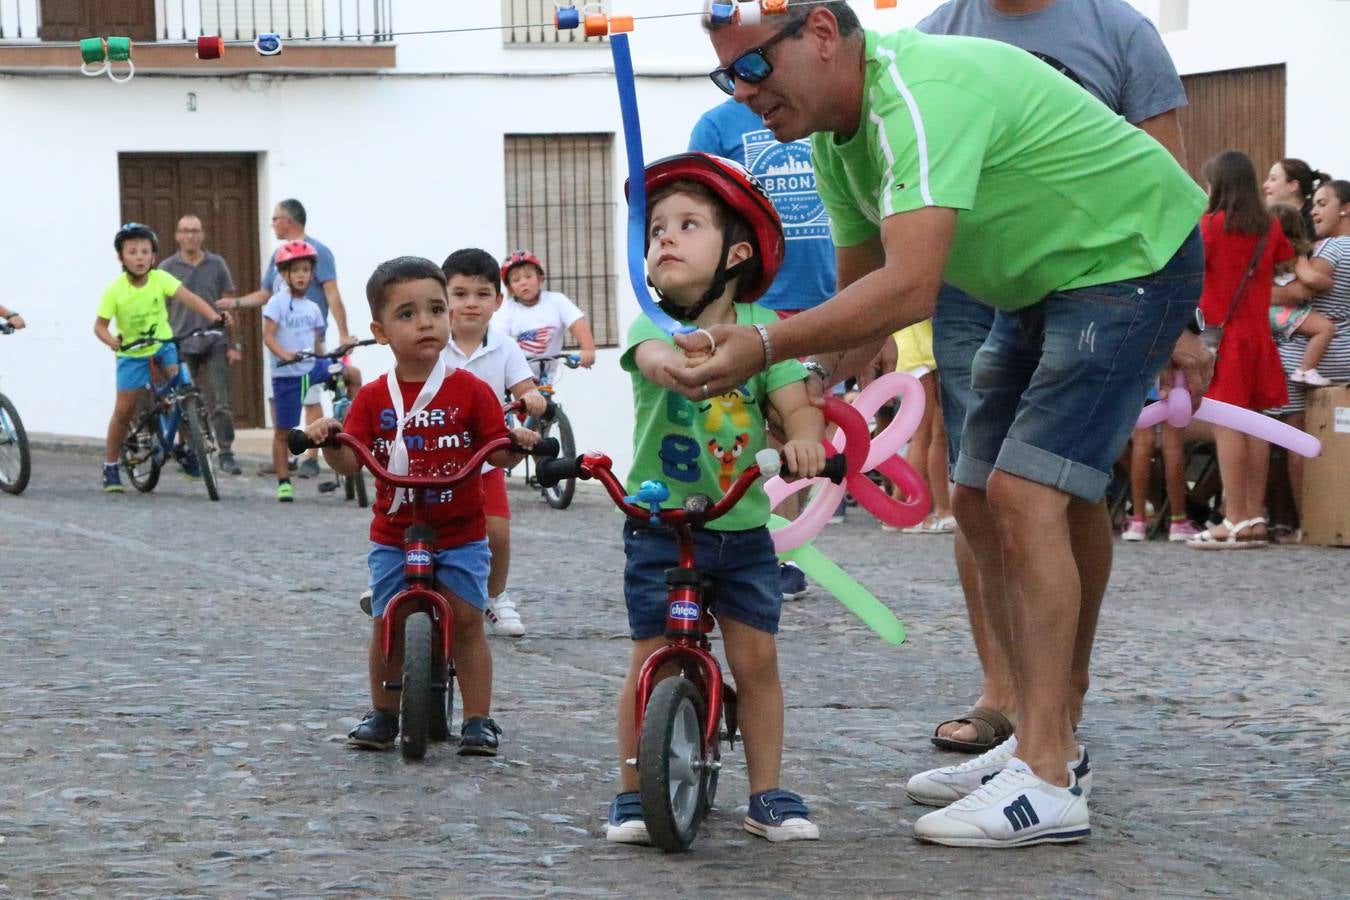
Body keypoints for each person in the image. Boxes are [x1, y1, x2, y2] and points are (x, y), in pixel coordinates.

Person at [685, 4, 1209, 847]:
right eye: (724, 78)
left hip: (1131, 262)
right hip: (1041, 281)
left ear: (822, 33)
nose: (742, 95)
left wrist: (762, 341)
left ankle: (1047, 770)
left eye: (750, 69)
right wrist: (807, 384)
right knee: (973, 494)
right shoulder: (832, 137)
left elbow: (910, 289)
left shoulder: (914, 97)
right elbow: (864, 308)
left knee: (1026, 492)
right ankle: (1046, 737)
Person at [905, 0, 1195, 757]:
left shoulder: (1118, 31)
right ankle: (1004, 688)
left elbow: (1160, 179)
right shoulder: (936, 34)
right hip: (970, 280)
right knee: (978, 481)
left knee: (1063, 482)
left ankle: (1063, 684)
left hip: (1091, 278)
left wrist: (1178, 323)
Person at [605, 152, 826, 846]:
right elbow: (656, 365)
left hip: (739, 530)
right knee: (648, 656)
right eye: (656, 229)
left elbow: (797, 406)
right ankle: (633, 793)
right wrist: (684, 365)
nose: (664, 236)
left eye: (688, 224)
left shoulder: (766, 331)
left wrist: (804, 438)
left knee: (755, 661)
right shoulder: (653, 325)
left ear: (736, 253)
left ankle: (767, 793)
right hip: (660, 524)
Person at [316, 256, 537, 754]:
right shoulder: (373, 397)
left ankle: (480, 718)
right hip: (395, 532)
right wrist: (330, 439)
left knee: (466, 619)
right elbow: (348, 463)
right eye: (408, 314)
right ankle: (382, 711)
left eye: (436, 310)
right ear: (380, 330)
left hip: (459, 528)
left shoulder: (472, 391)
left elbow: (496, 450)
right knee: (385, 621)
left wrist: (516, 440)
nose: (426, 323)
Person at [689, 96, 838, 598]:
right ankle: (742, 548)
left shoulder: (820, 112)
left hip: (822, 300)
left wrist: (867, 325)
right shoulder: (716, 125)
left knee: (796, 425)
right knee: (750, 425)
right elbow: (698, 206)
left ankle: (780, 550)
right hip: (757, 302)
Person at [440, 248, 548, 637]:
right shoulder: (431, 345)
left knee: (497, 534)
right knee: (413, 524)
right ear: (443, 297)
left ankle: (494, 597)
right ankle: (398, 582)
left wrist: (532, 397)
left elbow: (524, 386)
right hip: (432, 455)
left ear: (498, 301)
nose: (471, 303)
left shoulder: (505, 347)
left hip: (486, 458)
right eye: (460, 293)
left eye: (482, 294)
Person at [1186, 152, 1291, 548]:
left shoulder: (1210, 226)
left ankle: (1233, 518)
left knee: (1227, 425)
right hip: (1258, 336)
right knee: (1257, 425)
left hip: (1222, 336)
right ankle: (1254, 516)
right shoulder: (1270, 226)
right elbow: (1283, 263)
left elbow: (1195, 273)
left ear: (1219, 186)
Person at [221, 198, 355, 477]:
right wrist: (236, 304)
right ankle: (288, 457)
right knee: (281, 404)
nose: (272, 224)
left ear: (288, 220)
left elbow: (332, 293)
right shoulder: (278, 257)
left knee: (312, 397)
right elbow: (266, 293)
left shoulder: (320, 252)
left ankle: (311, 456)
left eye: (274, 219)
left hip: (310, 343)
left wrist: (343, 333)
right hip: (282, 348)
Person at [94, 223, 227, 493]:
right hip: (132, 353)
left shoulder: (161, 279)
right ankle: (110, 466)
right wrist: (112, 341)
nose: (140, 257)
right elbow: (100, 326)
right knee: (123, 411)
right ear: (122, 258)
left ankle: (190, 449)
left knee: (184, 389)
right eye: (132, 252)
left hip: (163, 346)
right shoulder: (115, 290)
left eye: (145, 251)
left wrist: (214, 316)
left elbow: (190, 298)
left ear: (154, 257)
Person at [1270, 179, 1350, 520]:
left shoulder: (1330, 248)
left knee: (1297, 439)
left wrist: (1253, 296)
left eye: (1322, 203)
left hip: (1306, 355)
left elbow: (1297, 292)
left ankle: (1309, 520)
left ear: (1345, 208)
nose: (1314, 210)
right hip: (1345, 356)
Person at [262, 241, 362, 503]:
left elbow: (319, 344)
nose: (302, 275)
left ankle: (353, 422)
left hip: (313, 366)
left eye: (306, 270)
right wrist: (285, 355)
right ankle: (284, 481)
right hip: (287, 372)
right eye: (296, 270)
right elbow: (268, 337)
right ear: (285, 274)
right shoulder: (277, 303)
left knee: (353, 375)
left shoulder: (313, 308)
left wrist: (335, 354)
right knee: (283, 431)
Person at [159, 215, 243, 475]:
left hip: (214, 338)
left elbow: (229, 303)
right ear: (177, 236)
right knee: (184, 399)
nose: (190, 236)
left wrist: (234, 343)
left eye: (195, 231)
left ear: (203, 234)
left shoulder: (217, 264)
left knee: (221, 399)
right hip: (181, 341)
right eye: (185, 231)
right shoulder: (166, 268)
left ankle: (226, 452)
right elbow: (159, 308)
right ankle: (190, 451)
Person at [1269, 203, 1338, 387]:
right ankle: (1306, 369)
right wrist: (1328, 282)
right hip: (1284, 310)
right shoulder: (1295, 252)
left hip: (1268, 312)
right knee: (1326, 328)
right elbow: (1310, 278)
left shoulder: (1262, 252)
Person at [498, 251, 598, 373]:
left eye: (528, 276)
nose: (523, 282)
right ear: (509, 288)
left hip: (548, 373)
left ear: (540, 278)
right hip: (516, 376)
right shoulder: (506, 311)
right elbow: (499, 341)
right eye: (516, 280)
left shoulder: (557, 301)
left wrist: (587, 349)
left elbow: (577, 322)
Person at [1122, 403, 1197, 542]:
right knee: (1172, 443)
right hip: (1175, 385)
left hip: (1146, 385)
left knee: (1141, 442)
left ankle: (1138, 521)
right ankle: (1178, 520)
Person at [1263, 158, 1331, 234]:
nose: (1265, 185)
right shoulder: (1271, 220)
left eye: (1273, 179)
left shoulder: (1313, 222)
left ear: (1293, 185)